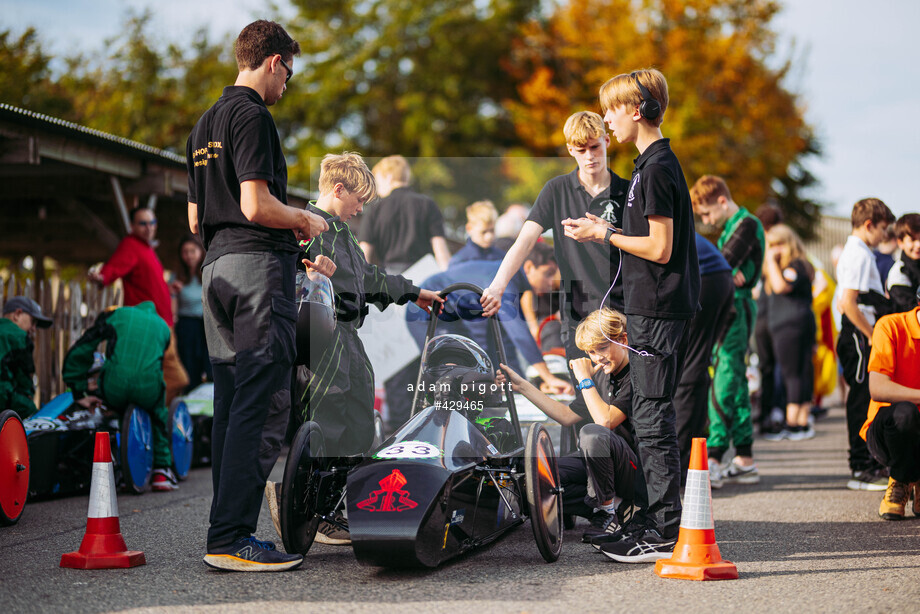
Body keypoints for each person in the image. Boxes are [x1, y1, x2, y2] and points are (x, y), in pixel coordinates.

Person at [186, 19, 329, 572]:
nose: (286, 86)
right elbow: (255, 206)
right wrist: (303, 219)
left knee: (229, 404)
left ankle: (224, 531)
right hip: (254, 273)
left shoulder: (203, 125)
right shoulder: (253, 115)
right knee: (261, 402)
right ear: (272, 62)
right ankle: (231, 539)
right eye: (288, 74)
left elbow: (197, 216)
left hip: (215, 270)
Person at [267, 152, 443, 546]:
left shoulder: (344, 234)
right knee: (326, 416)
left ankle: (333, 507)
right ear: (338, 188)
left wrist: (414, 292)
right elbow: (281, 268)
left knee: (362, 416)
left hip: (350, 335)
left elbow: (369, 277)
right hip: (318, 331)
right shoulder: (304, 227)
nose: (362, 209)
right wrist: (306, 271)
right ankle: (298, 505)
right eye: (358, 200)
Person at [563, 69, 700, 562]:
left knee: (653, 419)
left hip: (660, 311)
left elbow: (661, 248)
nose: (606, 119)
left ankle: (662, 530)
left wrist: (603, 235)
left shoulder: (658, 167)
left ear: (636, 109)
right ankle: (651, 517)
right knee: (647, 417)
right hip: (648, 308)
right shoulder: (648, 165)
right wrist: (605, 226)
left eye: (612, 109)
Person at [480, 111, 630, 387]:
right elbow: (523, 242)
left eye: (595, 147)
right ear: (570, 149)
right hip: (577, 313)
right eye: (581, 150)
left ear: (607, 141)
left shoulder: (627, 190)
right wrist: (498, 286)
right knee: (584, 403)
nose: (589, 156)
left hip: (620, 312)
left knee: (622, 403)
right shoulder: (557, 190)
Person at [496, 308, 638, 545]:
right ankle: (616, 507)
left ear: (623, 339)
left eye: (602, 348)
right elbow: (566, 416)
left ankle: (606, 512)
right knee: (529, 478)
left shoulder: (638, 372)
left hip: (634, 469)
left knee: (592, 434)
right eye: (591, 352)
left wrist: (584, 380)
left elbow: (605, 421)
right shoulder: (602, 373)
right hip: (603, 465)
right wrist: (522, 387)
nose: (596, 358)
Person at [406, 242, 572, 399]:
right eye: (548, 274)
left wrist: (530, 387)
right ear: (528, 267)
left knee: (479, 371)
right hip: (424, 312)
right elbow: (519, 335)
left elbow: (504, 347)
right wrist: (549, 378)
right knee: (451, 375)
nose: (552, 283)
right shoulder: (507, 279)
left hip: (454, 317)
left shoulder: (513, 282)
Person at [689, 175, 763, 486]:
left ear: (721, 200)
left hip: (735, 311)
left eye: (706, 214)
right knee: (734, 380)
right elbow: (726, 270)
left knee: (724, 379)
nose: (706, 221)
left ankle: (716, 455)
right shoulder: (736, 227)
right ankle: (744, 456)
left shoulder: (746, 224)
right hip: (733, 308)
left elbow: (720, 265)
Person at [62, 302, 177, 490]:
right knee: (157, 415)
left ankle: (119, 466)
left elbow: (83, 347)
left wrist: (78, 388)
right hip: (148, 387)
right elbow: (156, 361)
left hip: (115, 386)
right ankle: (161, 471)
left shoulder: (117, 315)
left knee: (114, 408)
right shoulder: (163, 327)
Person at [89, 206, 189, 405]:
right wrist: (102, 277)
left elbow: (147, 284)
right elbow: (113, 269)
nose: (149, 227)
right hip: (152, 325)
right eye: (143, 223)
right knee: (177, 378)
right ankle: (149, 414)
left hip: (162, 325)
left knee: (165, 377)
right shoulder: (131, 245)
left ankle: (148, 417)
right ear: (132, 226)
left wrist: (168, 289)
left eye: (152, 223)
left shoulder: (146, 249)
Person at [836, 198, 896, 491]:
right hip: (858, 336)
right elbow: (848, 303)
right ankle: (861, 467)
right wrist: (871, 334)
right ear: (869, 225)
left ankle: (868, 462)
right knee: (860, 399)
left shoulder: (856, 252)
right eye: (883, 228)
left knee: (863, 397)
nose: (886, 235)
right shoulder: (859, 254)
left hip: (856, 334)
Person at [674, 234, 733, 487]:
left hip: (707, 277)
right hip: (718, 277)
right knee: (696, 367)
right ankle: (691, 464)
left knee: (688, 369)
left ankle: (679, 467)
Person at [863, 286, 920, 520]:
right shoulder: (890, 326)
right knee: (905, 413)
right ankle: (900, 479)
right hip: (888, 432)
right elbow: (877, 388)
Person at [761, 224, 817, 441]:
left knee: (793, 373)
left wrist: (768, 256)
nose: (775, 250)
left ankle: (793, 423)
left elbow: (780, 287)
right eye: (772, 245)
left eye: (779, 245)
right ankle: (801, 422)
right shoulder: (798, 265)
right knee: (800, 372)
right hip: (796, 323)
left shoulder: (795, 265)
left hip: (791, 325)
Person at [358, 155, 451, 273]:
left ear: (388, 177)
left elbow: (364, 254)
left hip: (391, 278)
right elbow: (441, 251)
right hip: (424, 276)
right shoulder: (427, 204)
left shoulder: (375, 208)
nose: (376, 188)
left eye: (377, 180)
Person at [170, 234, 211, 391]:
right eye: (185, 252)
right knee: (189, 367)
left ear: (200, 251)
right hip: (187, 326)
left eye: (192, 251)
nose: (189, 255)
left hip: (207, 325)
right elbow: (172, 311)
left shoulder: (208, 273)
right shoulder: (176, 277)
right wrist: (173, 293)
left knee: (209, 367)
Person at [0, 296, 52, 418]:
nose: (33, 329)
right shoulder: (18, 336)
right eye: (33, 322)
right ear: (17, 314)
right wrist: (31, 411)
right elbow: (22, 385)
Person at [448, 200, 505, 266]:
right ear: (469, 228)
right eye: (483, 232)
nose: (489, 236)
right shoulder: (460, 262)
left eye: (492, 230)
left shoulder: (502, 258)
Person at [887, 213, 920, 314]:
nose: (918, 245)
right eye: (912, 239)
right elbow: (911, 310)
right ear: (900, 242)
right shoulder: (898, 274)